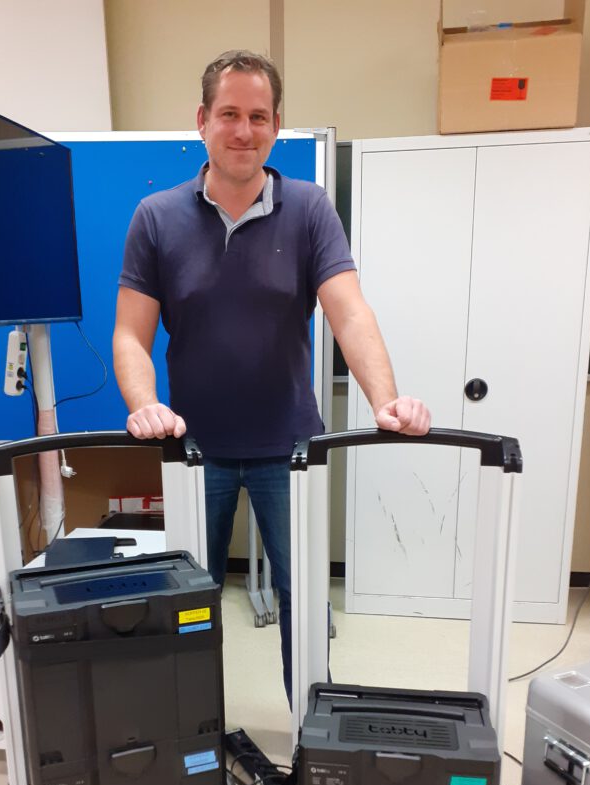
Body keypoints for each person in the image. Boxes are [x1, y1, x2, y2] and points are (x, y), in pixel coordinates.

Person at [113, 49, 431, 707]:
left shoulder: (310, 209)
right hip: (193, 451)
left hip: (289, 449)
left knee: (304, 599)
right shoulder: (156, 217)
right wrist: (143, 404)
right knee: (186, 604)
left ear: (277, 126)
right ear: (202, 121)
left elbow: (349, 311)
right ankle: (193, 738)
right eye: (229, 114)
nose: (243, 130)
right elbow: (129, 335)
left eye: (259, 116)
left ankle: (311, 739)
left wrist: (386, 400)